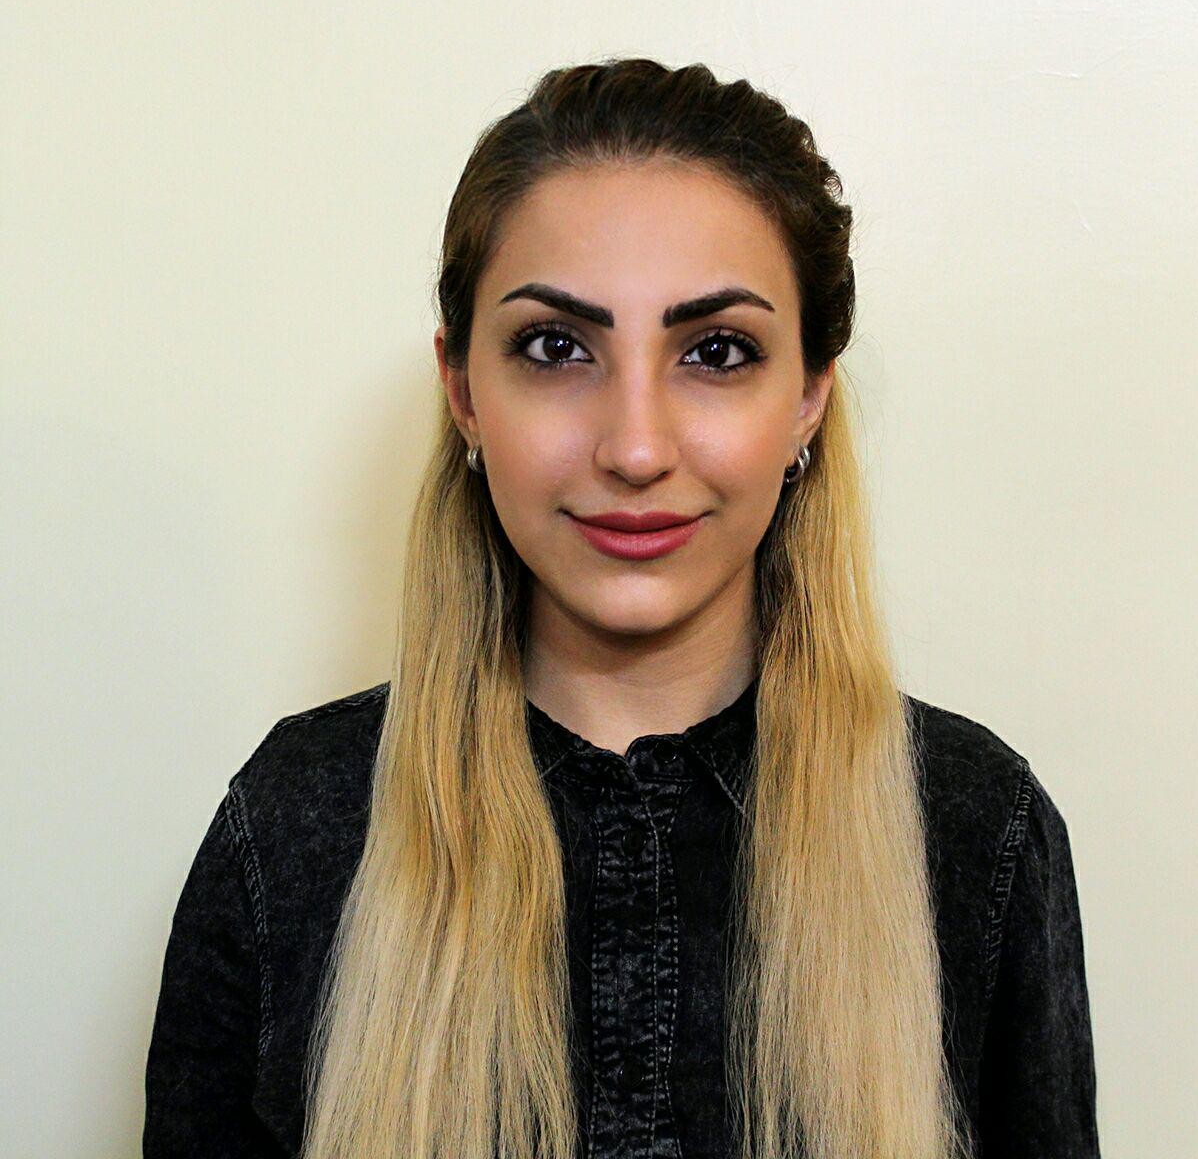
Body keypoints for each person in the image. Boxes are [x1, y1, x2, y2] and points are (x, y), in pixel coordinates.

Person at [143, 58, 1100, 1159]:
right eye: (556, 348)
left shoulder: (975, 832)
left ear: (806, 397)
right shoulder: (296, 827)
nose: (635, 449)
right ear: (463, 390)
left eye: (715, 352)